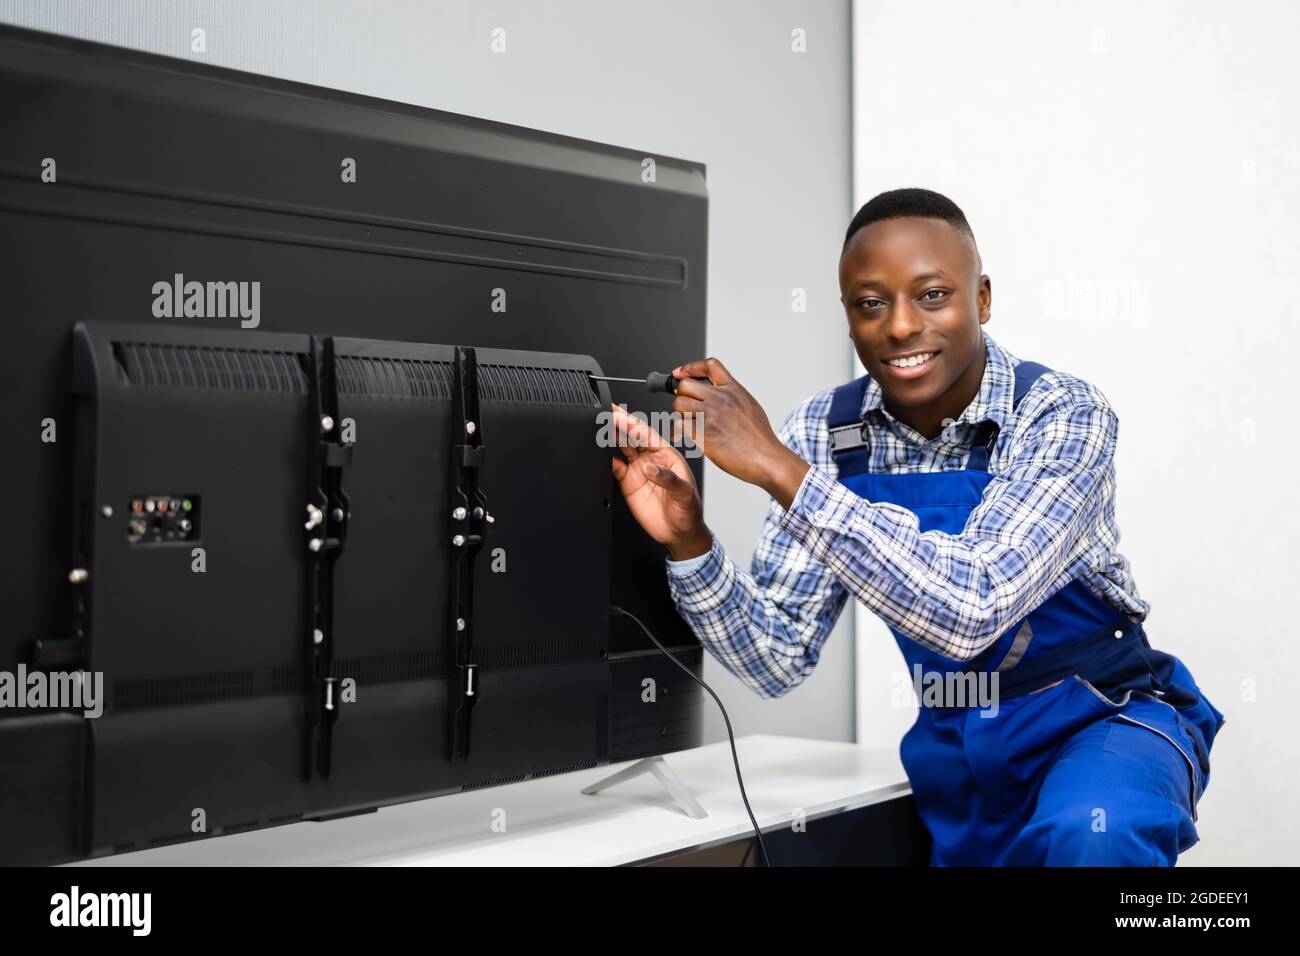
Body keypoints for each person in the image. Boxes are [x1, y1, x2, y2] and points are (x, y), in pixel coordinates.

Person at [609, 187, 1225, 866]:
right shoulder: (823, 434)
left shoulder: (1061, 414)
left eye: (932, 294)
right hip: (957, 745)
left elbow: (974, 606)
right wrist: (689, 540)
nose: (900, 326)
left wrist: (780, 471)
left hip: (1103, 722)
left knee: (1087, 839)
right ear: (849, 318)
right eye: (871, 304)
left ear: (982, 299)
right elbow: (776, 657)